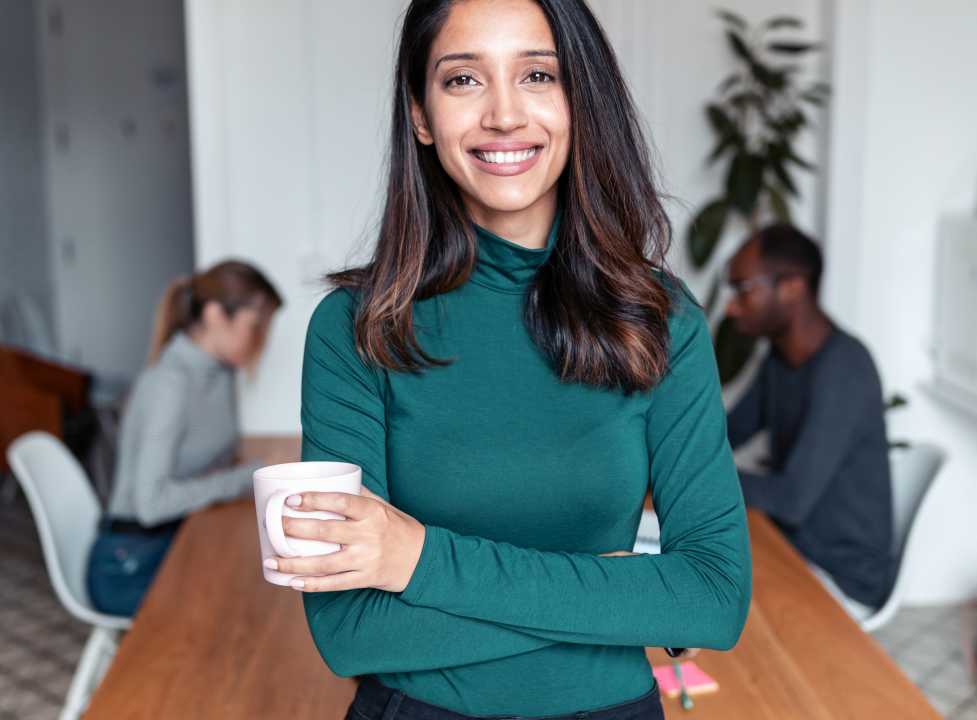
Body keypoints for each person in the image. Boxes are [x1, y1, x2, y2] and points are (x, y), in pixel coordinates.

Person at [266, 1, 753, 718]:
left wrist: (416, 561)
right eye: (463, 80)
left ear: (580, 99)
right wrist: (622, 598)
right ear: (422, 116)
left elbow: (713, 600)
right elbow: (351, 634)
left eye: (537, 75)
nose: (503, 115)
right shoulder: (356, 330)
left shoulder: (660, 319)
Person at [87, 261, 281, 616]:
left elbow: (218, 451)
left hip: (173, 535)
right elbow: (150, 505)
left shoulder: (218, 370)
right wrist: (246, 478)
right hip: (129, 561)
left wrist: (226, 478)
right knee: (243, 610)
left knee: (260, 586)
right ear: (214, 315)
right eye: (255, 327)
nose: (261, 342)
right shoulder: (170, 384)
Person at [723, 224, 894, 619]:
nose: (731, 307)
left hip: (839, 578)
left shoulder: (845, 370)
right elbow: (726, 434)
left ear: (793, 288)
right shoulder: (780, 360)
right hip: (793, 548)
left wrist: (689, 478)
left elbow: (791, 500)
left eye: (742, 290)